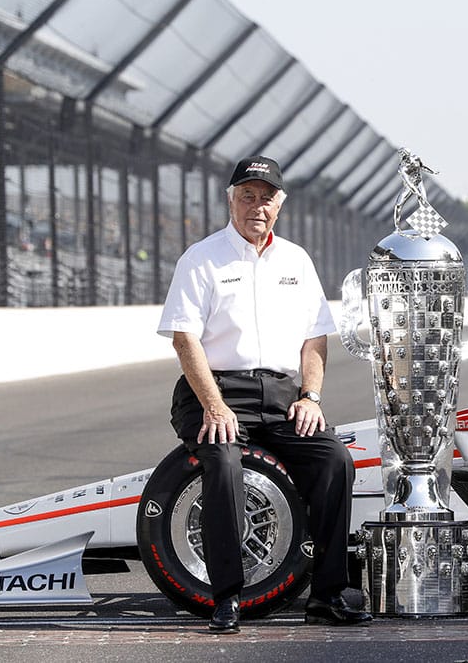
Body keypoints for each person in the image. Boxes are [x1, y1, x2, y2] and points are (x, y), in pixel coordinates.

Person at [157, 155, 372, 633]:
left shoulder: (297, 260)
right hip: (212, 390)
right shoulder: (201, 257)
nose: (257, 205)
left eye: (266, 197)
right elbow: (184, 338)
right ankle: (227, 597)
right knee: (226, 463)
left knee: (335, 460)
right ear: (230, 200)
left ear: (280, 204)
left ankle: (329, 594)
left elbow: (315, 339)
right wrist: (215, 405)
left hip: (281, 395)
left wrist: (310, 396)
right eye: (247, 196)